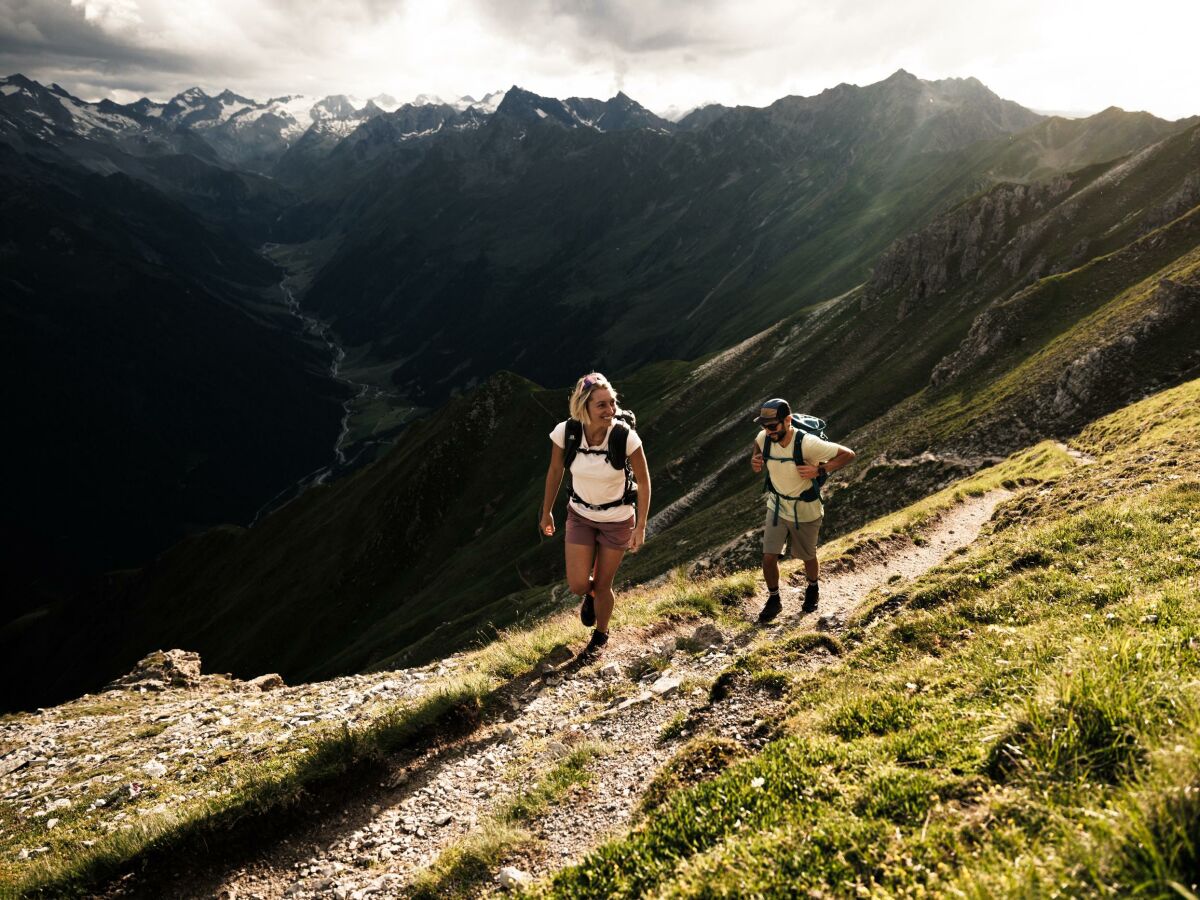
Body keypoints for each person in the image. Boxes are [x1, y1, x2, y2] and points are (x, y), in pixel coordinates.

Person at [540, 373, 651, 655]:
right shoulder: (566, 432)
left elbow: (644, 480)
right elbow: (555, 470)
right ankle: (589, 597)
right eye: (601, 405)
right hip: (580, 514)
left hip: (617, 519)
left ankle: (601, 635)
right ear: (584, 406)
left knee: (603, 585)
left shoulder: (624, 436)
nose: (610, 410)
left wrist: (640, 526)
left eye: (612, 403)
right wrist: (547, 512)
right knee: (578, 584)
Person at [749, 398, 855, 623]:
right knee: (769, 557)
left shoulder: (808, 443)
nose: (767, 431)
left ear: (787, 420)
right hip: (777, 505)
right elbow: (757, 444)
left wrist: (821, 469)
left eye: (772, 426)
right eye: (764, 426)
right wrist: (755, 459)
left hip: (805, 508)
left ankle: (813, 587)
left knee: (807, 556)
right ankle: (774, 599)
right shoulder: (764, 437)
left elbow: (848, 454)